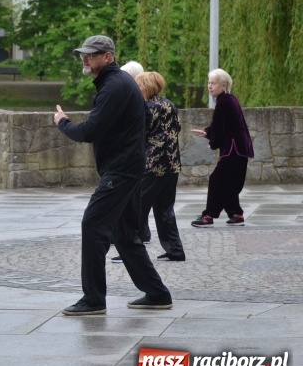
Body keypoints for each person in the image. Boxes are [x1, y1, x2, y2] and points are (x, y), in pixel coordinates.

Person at [53, 35, 172, 315]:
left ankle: (93, 299)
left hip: (120, 171)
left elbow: (88, 132)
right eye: (83, 54)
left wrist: (63, 122)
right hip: (128, 168)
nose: (85, 58)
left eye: (91, 54)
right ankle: (157, 294)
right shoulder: (121, 83)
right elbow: (143, 118)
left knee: (92, 225)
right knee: (126, 235)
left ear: (108, 57)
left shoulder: (113, 86)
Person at [112, 72, 185, 263]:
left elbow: (136, 134)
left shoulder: (145, 108)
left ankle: (129, 251)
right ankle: (175, 250)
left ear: (146, 87)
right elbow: (177, 128)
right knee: (165, 208)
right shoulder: (169, 104)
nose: (136, 90)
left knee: (136, 209)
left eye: (139, 86)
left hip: (152, 166)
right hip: (172, 164)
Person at [191, 68, 253, 227]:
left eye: (213, 83)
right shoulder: (227, 100)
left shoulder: (224, 102)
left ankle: (208, 216)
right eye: (209, 82)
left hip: (234, 148)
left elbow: (219, 129)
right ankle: (236, 214)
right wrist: (206, 132)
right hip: (238, 148)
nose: (209, 86)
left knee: (217, 179)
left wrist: (211, 139)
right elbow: (219, 125)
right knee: (229, 182)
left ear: (223, 85)